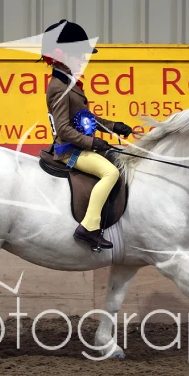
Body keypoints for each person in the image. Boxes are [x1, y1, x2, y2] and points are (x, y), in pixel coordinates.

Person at [41, 19, 133, 250]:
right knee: (111, 173)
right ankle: (89, 227)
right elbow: (64, 129)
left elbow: (85, 119)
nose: (83, 59)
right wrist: (93, 142)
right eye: (79, 54)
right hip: (69, 151)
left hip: (80, 146)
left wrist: (113, 126)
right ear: (62, 56)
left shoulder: (69, 83)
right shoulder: (58, 87)